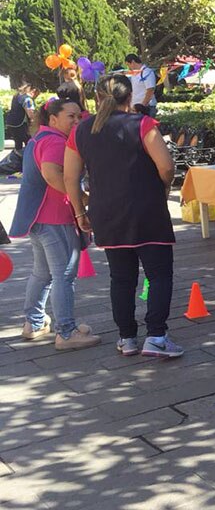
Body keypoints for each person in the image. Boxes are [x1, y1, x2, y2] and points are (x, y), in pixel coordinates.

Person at [64, 73, 182, 358]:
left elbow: (70, 177)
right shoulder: (142, 124)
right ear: (129, 97)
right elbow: (166, 166)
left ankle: (127, 337)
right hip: (147, 210)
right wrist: (163, 187)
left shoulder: (81, 131)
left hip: (106, 212)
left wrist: (80, 212)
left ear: (96, 98)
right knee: (159, 274)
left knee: (121, 278)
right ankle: (156, 336)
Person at [9, 98, 99, 351]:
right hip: (55, 218)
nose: (76, 121)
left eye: (79, 116)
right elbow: (51, 174)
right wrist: (82, 201)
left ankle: (34, 322)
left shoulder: (39, 138)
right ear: (53, 119)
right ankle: (67, 333)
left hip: (37, 219)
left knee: (43, 273)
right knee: (64, 275)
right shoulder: (56, 141)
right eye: (71, 116)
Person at [6, 85, 39, 151]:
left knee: (18, 143)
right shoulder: (28, 99)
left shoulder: (17, 96)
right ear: (33, 91)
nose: (35, 97)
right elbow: (30, 112)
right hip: (20, 124)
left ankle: (18, 156)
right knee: (29, 142)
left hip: (12, 123)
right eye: (37, 94)